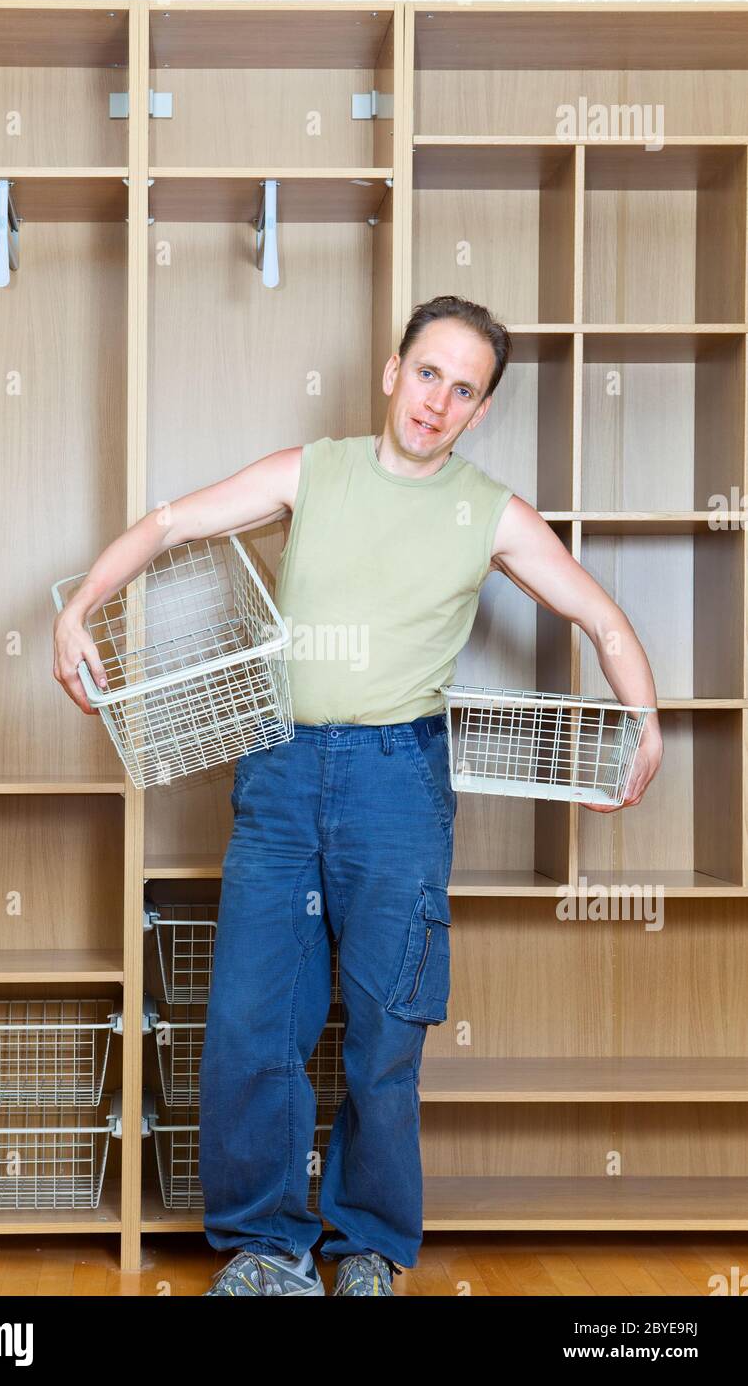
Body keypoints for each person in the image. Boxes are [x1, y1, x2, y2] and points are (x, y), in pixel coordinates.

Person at [53, 294, 664, 1297]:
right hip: (282, 772)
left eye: (464, 390)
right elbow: (170, 523)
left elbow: (599, 619)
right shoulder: (312, 470)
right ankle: (266, 1248)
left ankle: (368, 1247)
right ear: (391, 372)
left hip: (398, 784)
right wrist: (80, 609)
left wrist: (644, 722)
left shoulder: (492, 511)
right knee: (255, 1018)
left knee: (386, 1024)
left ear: (477, 413)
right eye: (427, 373)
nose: (438, 400)